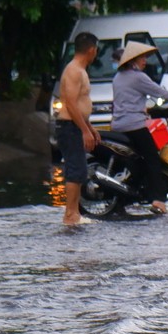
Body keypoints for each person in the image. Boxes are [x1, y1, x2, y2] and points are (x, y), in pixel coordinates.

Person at [111, 40, 168, 215]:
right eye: (141, 58)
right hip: (134, 126)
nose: (145, 61)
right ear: (132, 60)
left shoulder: (118, 77)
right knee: (153, 159)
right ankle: (159, 200)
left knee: (134, 160)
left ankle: (123, 200)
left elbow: (126, 100)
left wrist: (142, 108)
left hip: (118, 125)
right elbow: (162, 93)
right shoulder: (138, 77)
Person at [57, 32, 100, 226]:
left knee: (80, 170)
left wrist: (90, 127)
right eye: (96, 50)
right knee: (75, 169)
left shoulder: (80, 70)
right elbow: (71, 104)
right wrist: (84, 130)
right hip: (69, 125)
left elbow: (80, 104)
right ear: (91, 50)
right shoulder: (74, 70)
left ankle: (73, 213)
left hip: (76, 124)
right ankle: (70, 215)